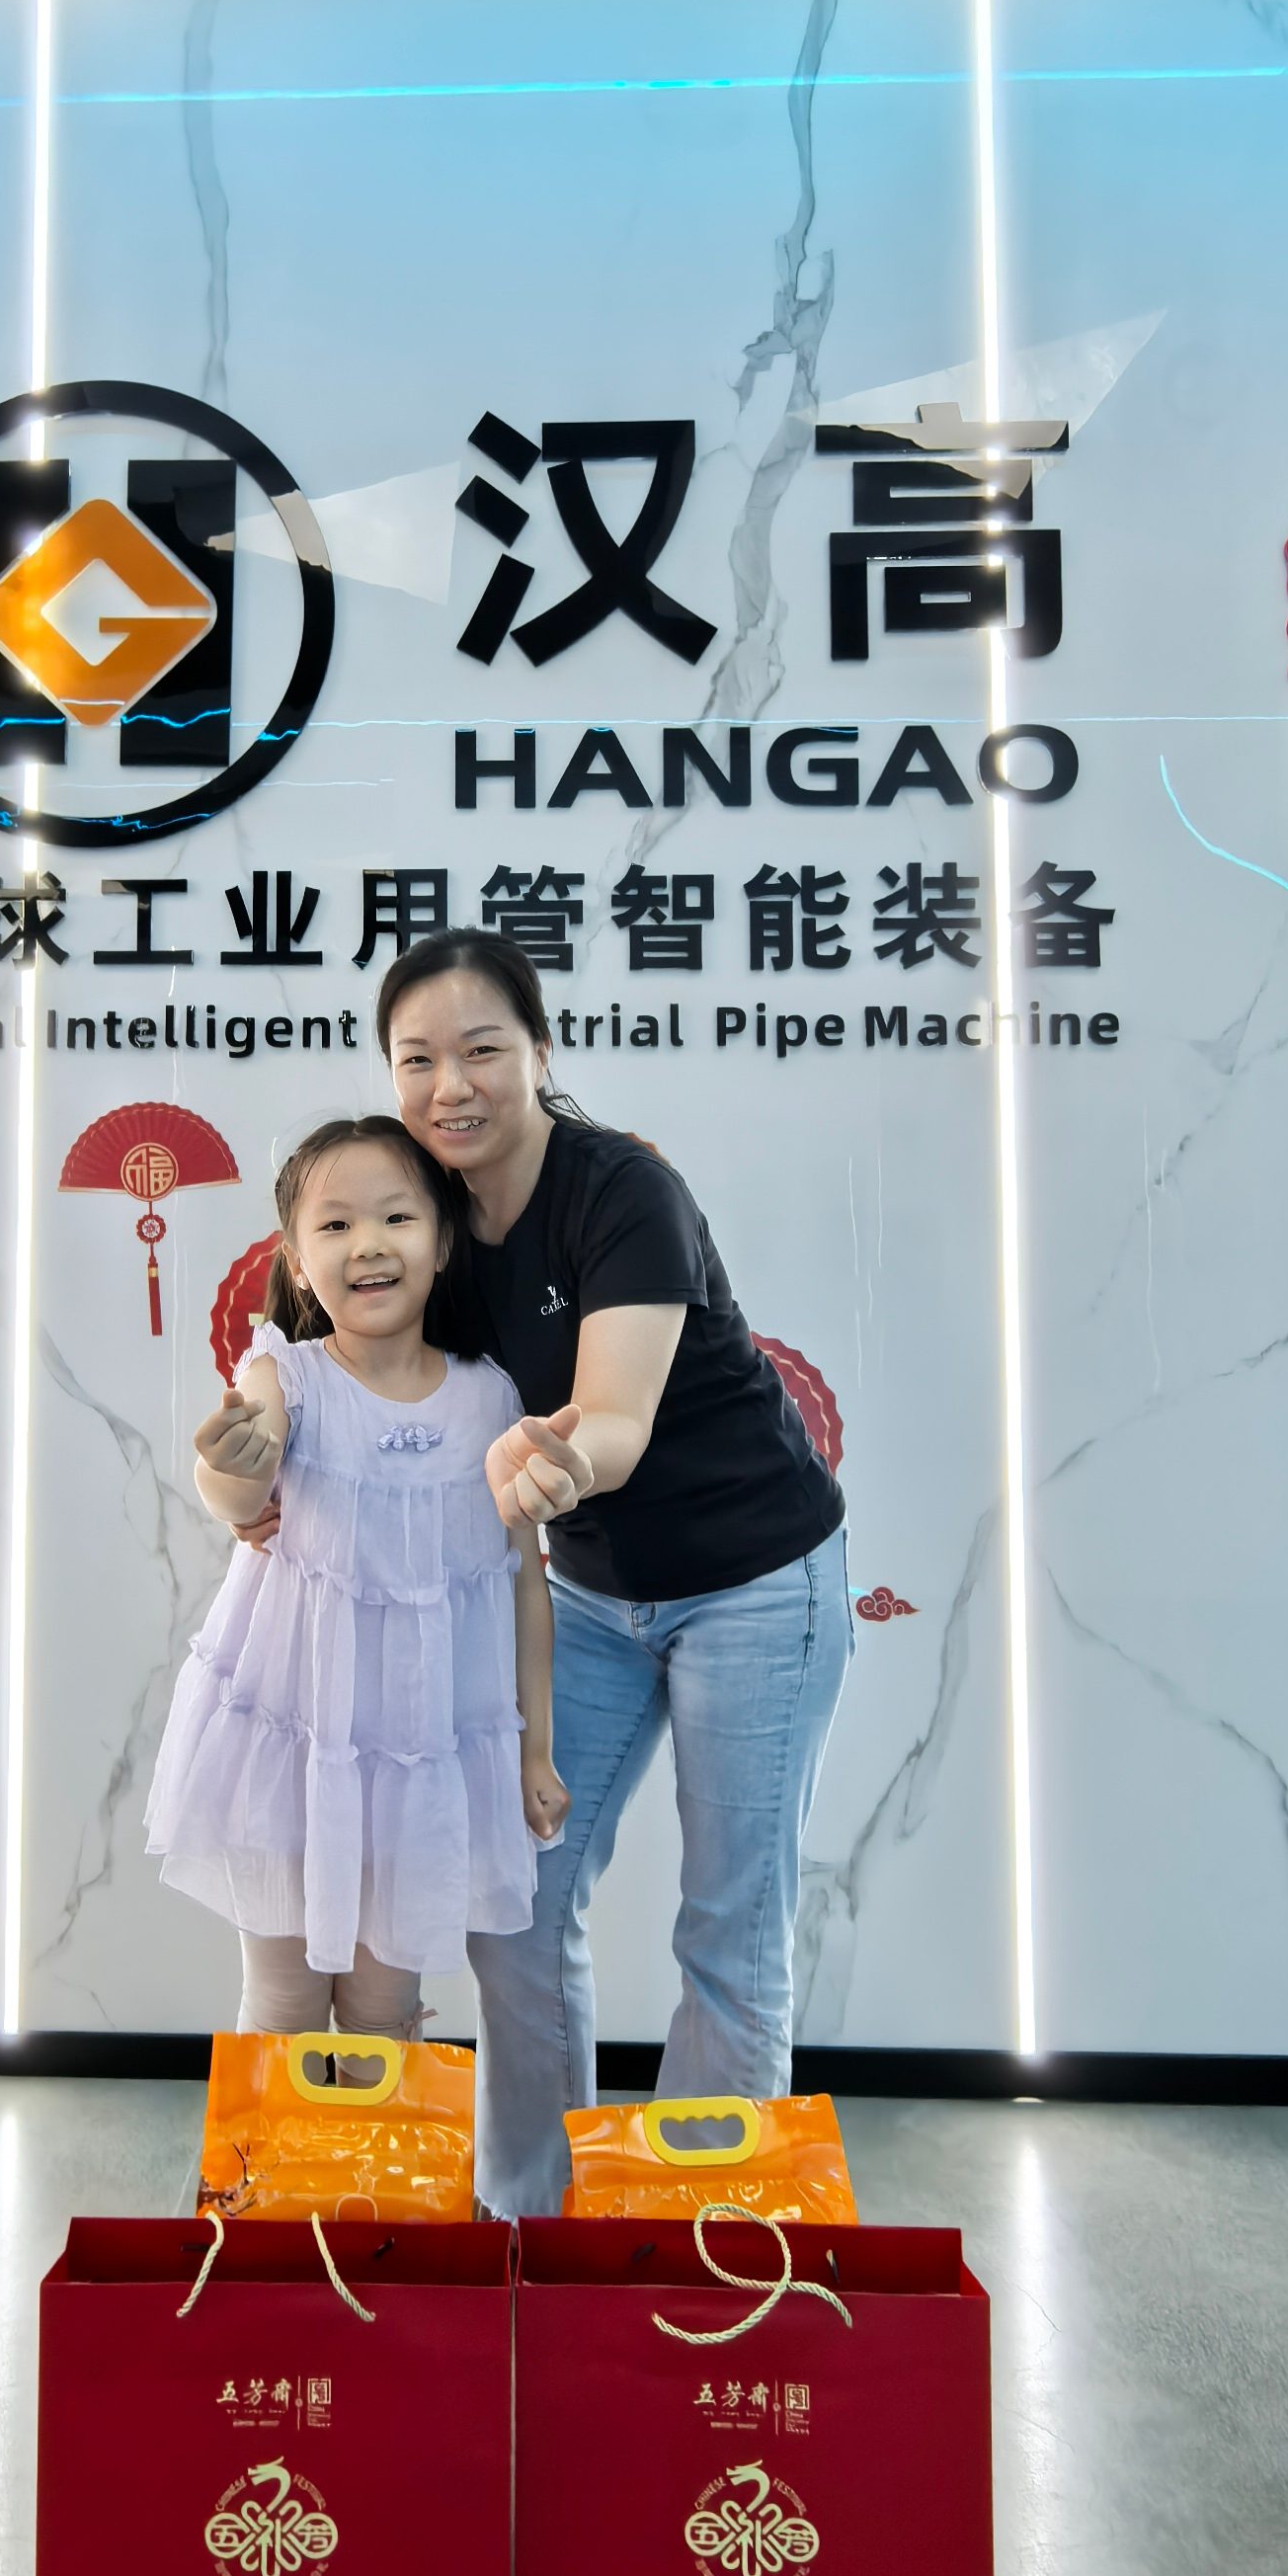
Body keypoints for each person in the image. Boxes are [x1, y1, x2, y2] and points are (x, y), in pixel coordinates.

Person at [375, 928, 852, 2217]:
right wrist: (258, 1470)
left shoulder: (623, 1190)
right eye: (417, 1060)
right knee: (516, 1904)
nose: (451, 1086)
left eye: (482, 1049)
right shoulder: (423, 1213)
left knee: (728, 1926)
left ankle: (700, 2243)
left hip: (755, 1580)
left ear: (541, 1051)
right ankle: (531, 2224)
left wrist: (556, 1465)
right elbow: (332, 1350)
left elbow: (617, 1418)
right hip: (589, 1600)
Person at [146, 1111, 570, 2037]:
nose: (368, 1244)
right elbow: (238, 1476)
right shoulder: (287, 1375)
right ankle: (271, 2144)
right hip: (294, 1748)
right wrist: (227, 1470)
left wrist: (535, 1750)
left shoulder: (492, 1397)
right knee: (283, 2005)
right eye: (335, 1225)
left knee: (387, 2013)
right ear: (298, 1263)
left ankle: (380, 2142)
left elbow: (521, 1587)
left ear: (443, 1242)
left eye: (396, 1218)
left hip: (423, 1758)